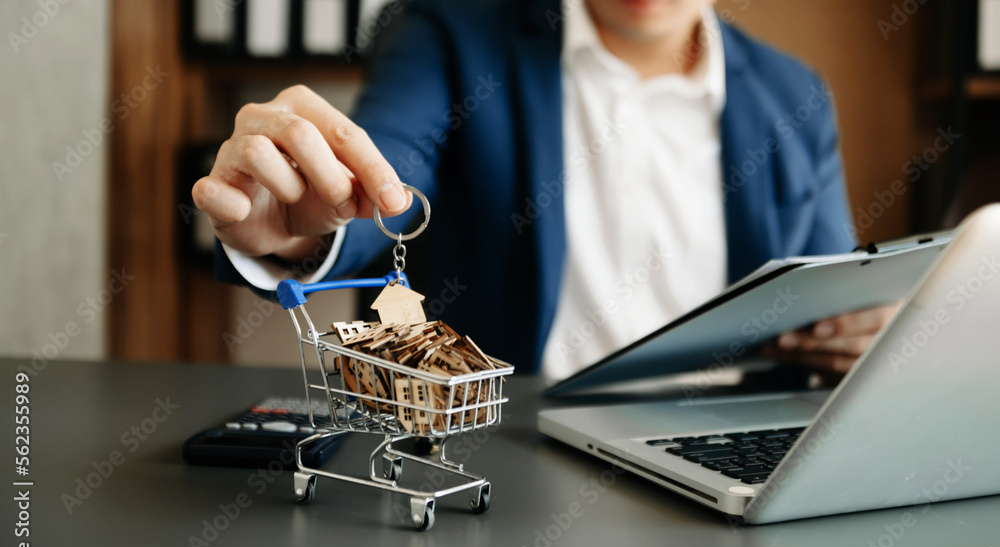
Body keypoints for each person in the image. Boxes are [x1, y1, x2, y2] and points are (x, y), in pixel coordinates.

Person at [193, 0, 897, 381]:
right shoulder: (450, 31)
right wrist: (305, 225)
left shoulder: (794, 93)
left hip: (723, 462)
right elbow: (389, 170)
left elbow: (827, 295)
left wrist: (861, 333)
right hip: (515, 454)